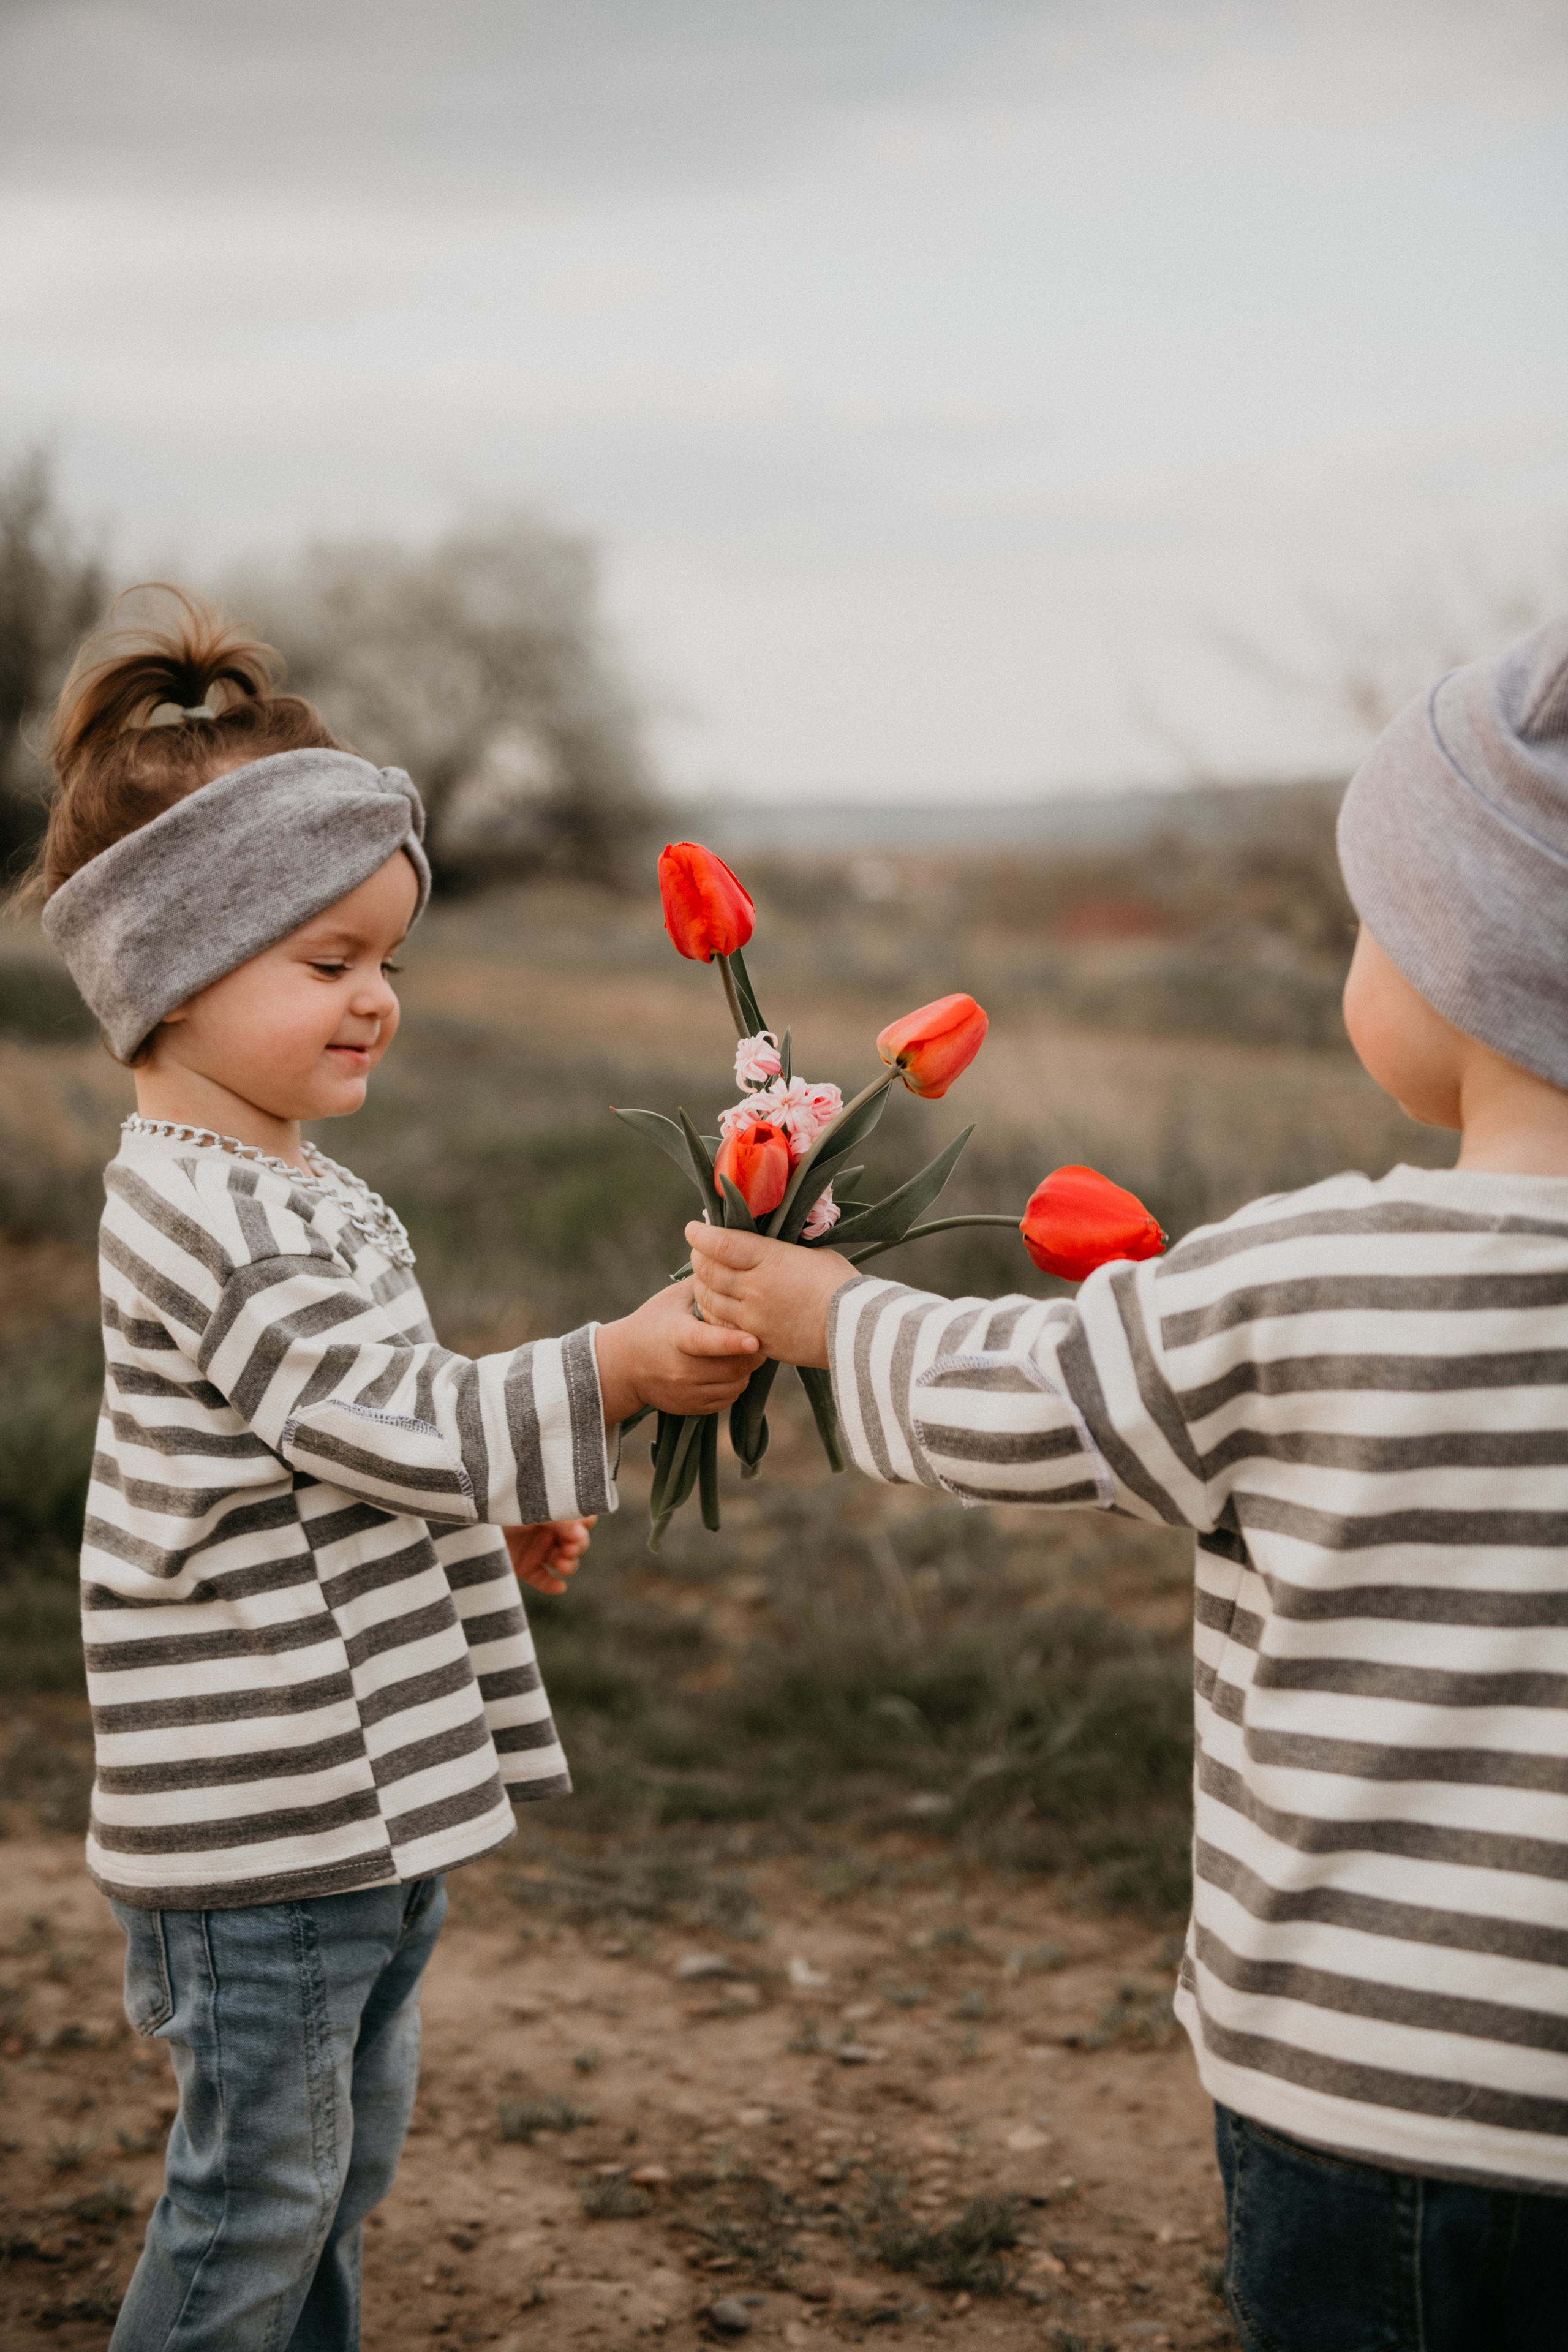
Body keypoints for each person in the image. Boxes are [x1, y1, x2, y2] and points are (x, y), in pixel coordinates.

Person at [688, 619, 1568, 2350]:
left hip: (1362, 2095)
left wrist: (830, 1315)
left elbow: (1030, 1399)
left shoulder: (1308, 1275)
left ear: (1463, 963)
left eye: (1370, 919)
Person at [29, 587, 758, 2352]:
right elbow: (386, 1411)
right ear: (171, 969)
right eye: (330, 964)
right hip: (269, 1827)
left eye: (391, 965)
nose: (377, 1005)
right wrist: (614, 1371)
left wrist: (488, 1512)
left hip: (360, 1809)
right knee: (259, 2193)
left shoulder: (298, 1184)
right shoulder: (202, 1213)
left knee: (335, 2179)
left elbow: (357, 1435)